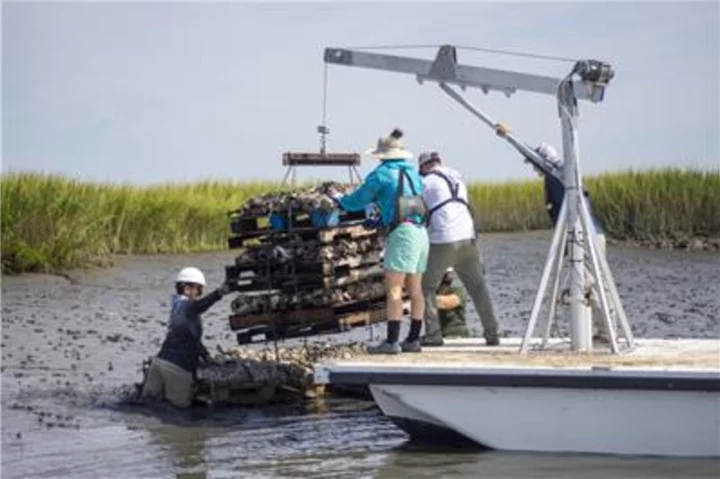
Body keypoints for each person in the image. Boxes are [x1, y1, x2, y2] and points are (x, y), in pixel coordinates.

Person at [330, 128, 429, 355]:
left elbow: (357, 200)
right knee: (415, 289)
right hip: (420, 232)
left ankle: (392, 342)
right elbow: (405, 200)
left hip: (402, 233)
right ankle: (413, 339)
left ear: (382, 156)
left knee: (394, 288)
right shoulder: (413, 174)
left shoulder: (381, 174)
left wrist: (340, 200)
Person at [417, 151, 500, 346]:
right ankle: (492, 333)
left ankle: (433, 335)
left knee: (425, 286)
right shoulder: (458, 180)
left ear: (424, 167)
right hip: (468, 239)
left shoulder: (426, 182)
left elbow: (417, 210)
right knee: (478, 287)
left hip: (444, 240)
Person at [532, 143, 613, 342]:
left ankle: (604, 331)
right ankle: (604, 329)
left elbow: (560, 212)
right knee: (596, 282)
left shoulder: (554, 176)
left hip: (582, 237)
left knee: (589, 283)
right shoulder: (569, 172)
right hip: (593, 233)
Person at [141, 266, 230, 408]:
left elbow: (192, 339)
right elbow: (200, 305)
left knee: (149, 406)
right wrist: (220, 292)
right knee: (178, 412)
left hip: (159, 362)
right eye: (199, 289)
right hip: (177, 368)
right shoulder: (186, 306)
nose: (199, 294)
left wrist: (207, 357)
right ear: (187, 288)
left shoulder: (176, 306)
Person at [436, 268, 470, 338]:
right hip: (439, 333)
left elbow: (447, 302)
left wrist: (419, 301)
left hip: (456, 333)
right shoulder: (436, 289)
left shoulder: (457, 287)